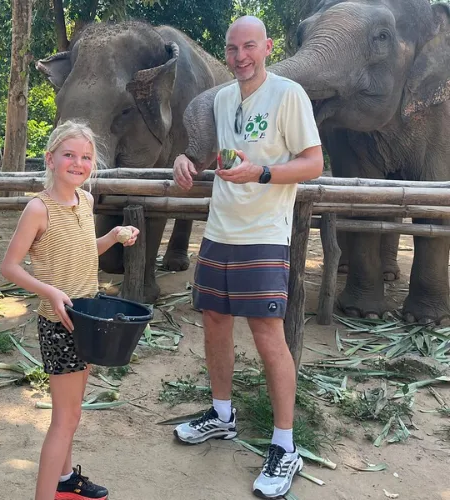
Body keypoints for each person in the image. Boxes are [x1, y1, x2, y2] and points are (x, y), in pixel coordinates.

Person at [171, 16, 323, 499]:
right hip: (220, 229)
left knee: (266, 334)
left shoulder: (289, 94)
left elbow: (313, 163)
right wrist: (185, 161)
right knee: (213, 319)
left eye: (249, 47)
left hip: (264, 232)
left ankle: (285, 444)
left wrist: (262, 174)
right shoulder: (221, 99)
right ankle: (221, 415)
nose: (240, 57)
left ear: (267, 48)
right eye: (233, 48)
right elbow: (217, 156)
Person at [1, 120, 139, 500]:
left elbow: (80, 252)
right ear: (50, 159)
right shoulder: (38, 208)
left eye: (86, 157)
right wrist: (50, 291)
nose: (78, 163)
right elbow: (9, 266)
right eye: (69, 155)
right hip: (59, 323)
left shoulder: (86, 201)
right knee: (64, 420)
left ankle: (65, 480)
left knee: (73, 413)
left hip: (88, 319)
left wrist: (112, 237)